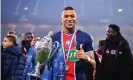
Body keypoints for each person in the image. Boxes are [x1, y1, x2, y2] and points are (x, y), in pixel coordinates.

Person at [42, 6, 96, 80]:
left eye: (72, 16)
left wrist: (87, 58)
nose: (69, 19)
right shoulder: (54, 38)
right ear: (61, 19)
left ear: (76, 19)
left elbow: (95, 65)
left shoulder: (85, 37)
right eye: (66, 16)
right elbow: (45, 63)